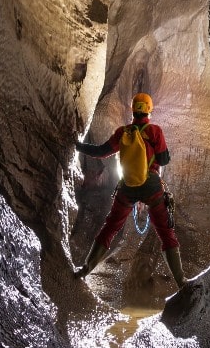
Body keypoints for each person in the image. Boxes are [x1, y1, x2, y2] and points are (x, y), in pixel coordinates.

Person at [74, 92, 188, 288]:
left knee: (110, 227)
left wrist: (77, 146)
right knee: (165, 233)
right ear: (149, 111)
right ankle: (181, 282)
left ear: (133, 110)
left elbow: (101, 152)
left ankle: (86, 269)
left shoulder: (123, 132)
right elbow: (163, 160)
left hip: (127, 187)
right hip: (151, 186)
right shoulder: (155, 131)